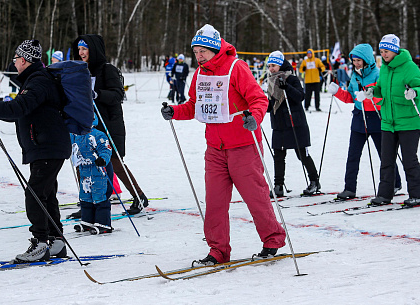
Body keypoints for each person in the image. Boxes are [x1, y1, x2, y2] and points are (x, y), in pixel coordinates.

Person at [161, 24, 286, 264]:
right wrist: (174, 111)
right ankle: (218, 250)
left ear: (215, 49)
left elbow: (258, 99)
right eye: (195, 51)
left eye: (203, 51)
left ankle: (272, 239)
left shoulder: (235, 67)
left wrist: (254, 118)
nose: (198, 56)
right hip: (215, 149)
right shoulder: (200, 74)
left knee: (255, 197)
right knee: (215, 202)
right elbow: (194, 105)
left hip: (243, 146)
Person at [0, 39, 70, 262]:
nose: (14, 63)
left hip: (47, 146)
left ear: (24, 60)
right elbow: (19, 112)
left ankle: (41, 243)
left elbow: (17, 108)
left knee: (34, 192)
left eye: (15, 59)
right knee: (46, 193)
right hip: (45, 146)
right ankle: (57, 242)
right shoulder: (35, 80)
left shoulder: (38, 81)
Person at [72, 34, 149, 215]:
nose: (81, 53)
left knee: (113, 162)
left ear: (94, 50)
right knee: (82, 162)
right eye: (79, 50)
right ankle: (87, 202)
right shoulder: (81, 70)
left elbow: (117, 95)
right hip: (87, 124)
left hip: (109, 125)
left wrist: (97, 94)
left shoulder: (108, 70)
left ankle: (138, 196)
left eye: (85, 49)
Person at [327, 43, 401, 200]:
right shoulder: (354, 75)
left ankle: (395, 183)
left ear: (367, 59)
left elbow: (381, 98)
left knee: (384, 155)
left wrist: (367, 97)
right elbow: (351, 97)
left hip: (376, 118)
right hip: (359, 118)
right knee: (352, 155)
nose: (355, 63)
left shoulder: (378, 74)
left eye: (358, 60)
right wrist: (338, 92)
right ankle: (349, 188)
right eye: (354, 61)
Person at [364, 34, 420, 207]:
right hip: (388, 121)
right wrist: (372, 91)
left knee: (409, 159)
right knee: (386, 160)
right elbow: (382, 89)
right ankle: (384, 194)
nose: (383, 55)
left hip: (408, 122)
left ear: (394, 50)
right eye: (381, 51)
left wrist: (414, 92)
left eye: (386, 51)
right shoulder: (384, 67)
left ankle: (417, 194)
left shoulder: (409, 67)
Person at [265, 51, 320, 197]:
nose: (271, 68)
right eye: (269, 65)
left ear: (281, 64)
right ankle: (278, 185)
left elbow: (300, 96)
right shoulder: (270, 80)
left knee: (302, 155)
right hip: (278, 124)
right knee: (278, 155)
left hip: (294, 123)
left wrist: (286, 88)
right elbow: (271, 104)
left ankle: (314, 181)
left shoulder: (292, 78)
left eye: (274, 65)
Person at [70, 115, 114, 234]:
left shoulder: (97, 134)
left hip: (99, 169)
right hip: (84, 168)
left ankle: (103, 223)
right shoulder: (75, 135)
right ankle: (87, 220)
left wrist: (103, 158)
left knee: (99, 195)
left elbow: (106, 148)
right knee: (85, 194)